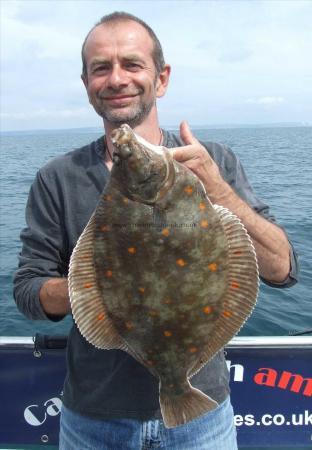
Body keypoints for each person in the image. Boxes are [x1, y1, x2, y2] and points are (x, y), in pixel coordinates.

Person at [14, 11, 299, 450]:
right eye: (101, 68)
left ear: (161, 78)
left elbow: (282, 271)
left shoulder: (215, 161)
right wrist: (100, 290)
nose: (116, 79)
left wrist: (217, 190)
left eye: (132, 64)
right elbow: (28, 291)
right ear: (87, 84)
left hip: (202, 420)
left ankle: (176, 386)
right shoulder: (57, 177)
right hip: (93, 420)